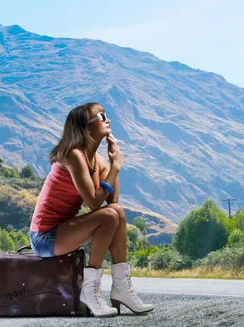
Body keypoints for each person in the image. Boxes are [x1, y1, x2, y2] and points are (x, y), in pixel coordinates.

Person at [29, 102, 154, 317]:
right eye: (101, 116)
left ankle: (121, 287)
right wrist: (115, 167)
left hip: (64, 231)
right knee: (108, 216)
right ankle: (89, 290)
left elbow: (112, 199)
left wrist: (112, 160)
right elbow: (95, 203)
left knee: (117, 212)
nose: (107, 119)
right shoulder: (73, 155)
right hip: (45, 237)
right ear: (86, 128)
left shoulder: (95, 160)